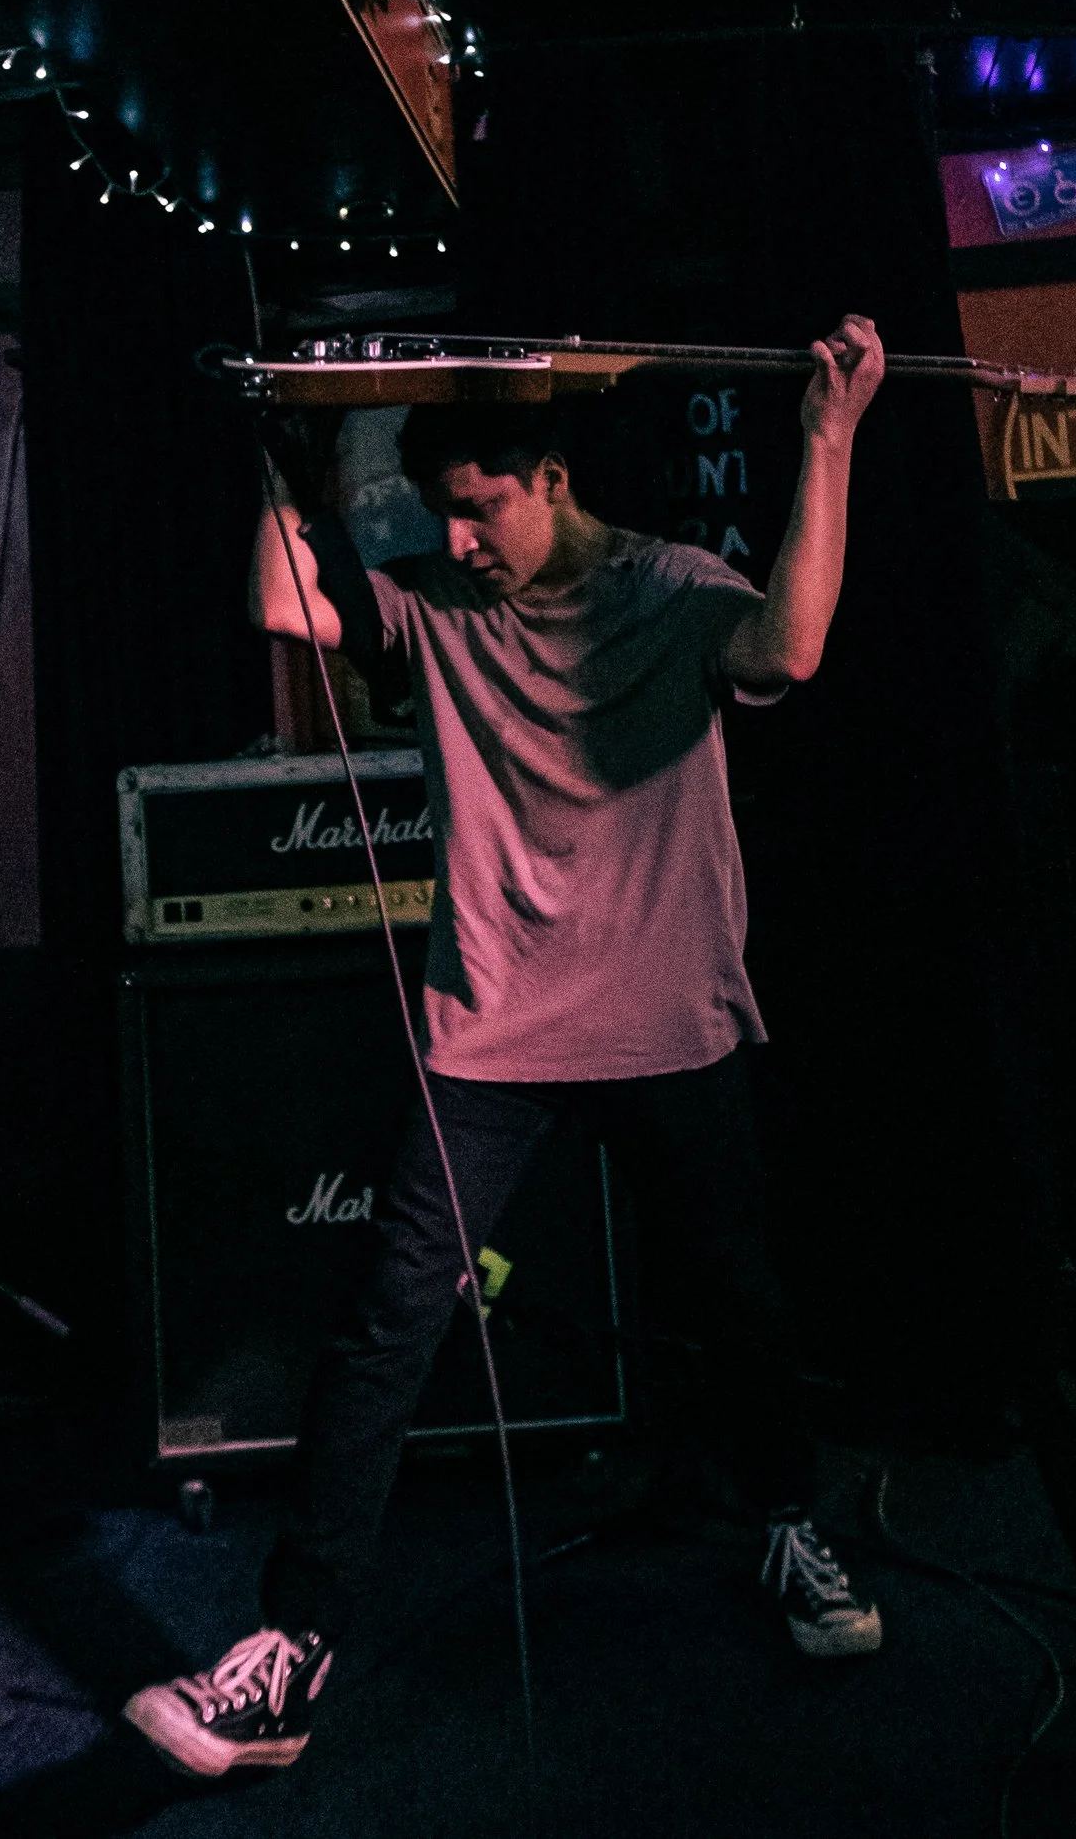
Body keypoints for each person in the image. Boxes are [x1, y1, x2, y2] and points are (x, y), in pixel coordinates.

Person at [124, 314, 887, 1780]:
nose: (460, 539)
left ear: (548, 478)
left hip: (670, 1012)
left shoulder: (668, 587)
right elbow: (288, 609)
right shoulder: (433, 608)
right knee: (388, 1327)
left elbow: (789, 645)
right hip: (496, 1029)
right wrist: (275, 440)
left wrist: (827, 438)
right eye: (441, 513)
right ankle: (290, 1650)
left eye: (481, 508)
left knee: (741, 1301)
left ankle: (793, 1531)